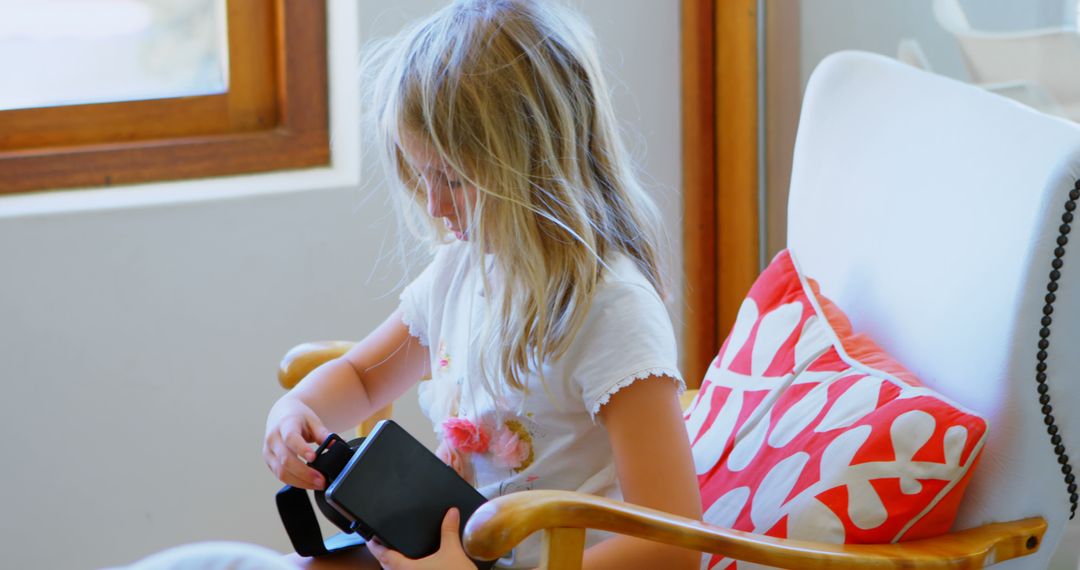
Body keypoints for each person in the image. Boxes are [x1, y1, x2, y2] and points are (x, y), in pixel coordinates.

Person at [263, 0, 701, 568]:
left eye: (452, 179)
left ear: (536, 164)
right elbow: (361, 378)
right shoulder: (461, 271)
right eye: (421, 175)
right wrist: (293, 411)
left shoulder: (612, 311)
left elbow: (671, 545)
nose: (433, 203)